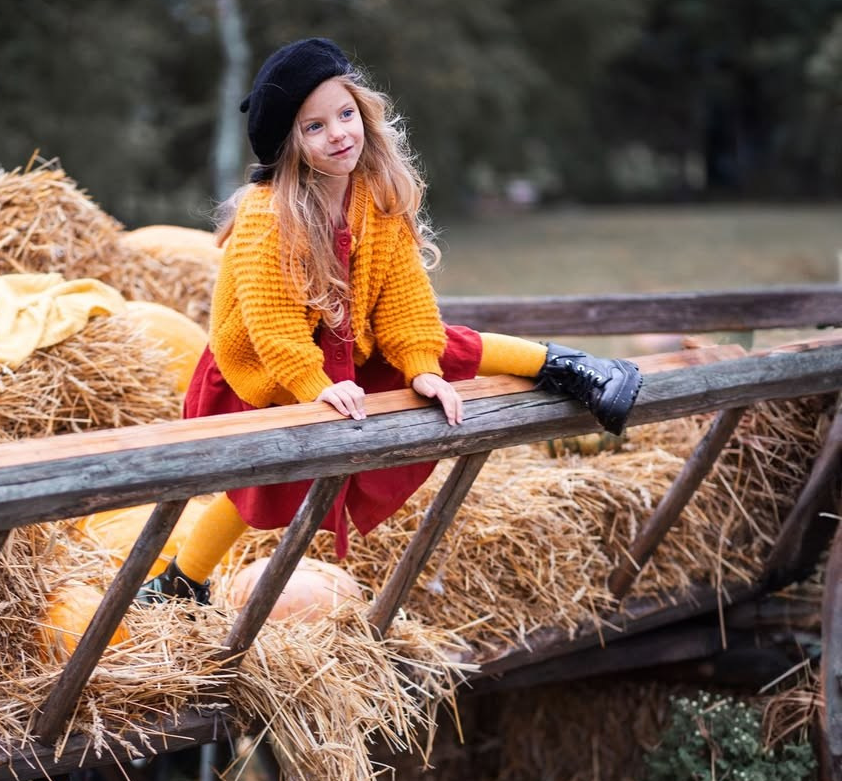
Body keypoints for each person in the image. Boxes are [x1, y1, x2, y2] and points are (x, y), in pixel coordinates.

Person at [138, 37, 641, 606]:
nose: (338, 134)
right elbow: (272, 324)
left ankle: (568, 367)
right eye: (314, 127)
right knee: (260, 480)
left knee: (443, 346)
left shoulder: (375, 196)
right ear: (290, 144)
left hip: (341, 347)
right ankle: (182, 580)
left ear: (364, 112)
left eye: (345, 114)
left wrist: (421, 367)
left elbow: (405, 298)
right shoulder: (268, 213)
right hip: (264, 368)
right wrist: (314, 386)